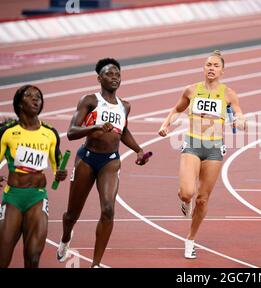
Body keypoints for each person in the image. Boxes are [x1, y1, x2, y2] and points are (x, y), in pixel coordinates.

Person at [56, 58, 149, 268]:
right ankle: (65, 238)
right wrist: (95, 127)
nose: (114, 78)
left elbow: (122, 131)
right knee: (72, 214)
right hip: (87, 158)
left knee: (108, 210)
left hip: (110, 161)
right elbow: (71, 132)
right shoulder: (90, 101)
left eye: (117, 74)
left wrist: (138, 150)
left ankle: (95, 264)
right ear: (99, 78)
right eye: (109, 74)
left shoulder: (125, 106)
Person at [158, 50, 245, 259]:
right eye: (208, 65)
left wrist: (240, 122)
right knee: (188, 193)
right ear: (203, 68)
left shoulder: (228, 94)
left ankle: (190, 239)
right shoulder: (191, 90)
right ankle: (184, 199)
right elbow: (176, 109)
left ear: (222, 71)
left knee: (203, 200)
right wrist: (165, 126)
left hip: (214, 148)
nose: (211, 68)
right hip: (193, 144)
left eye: (215, 65)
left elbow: (239, 114)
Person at [0, 85, 68, 268]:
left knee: (33, 257)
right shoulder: (7, 132)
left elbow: (58, 166)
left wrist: (61, 173)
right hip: (13, 197)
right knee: (3, 256)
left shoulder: (50, 133)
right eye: (29, 96)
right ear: (20, 103)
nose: (35, 99)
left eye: (38, 96)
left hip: (37, 197)